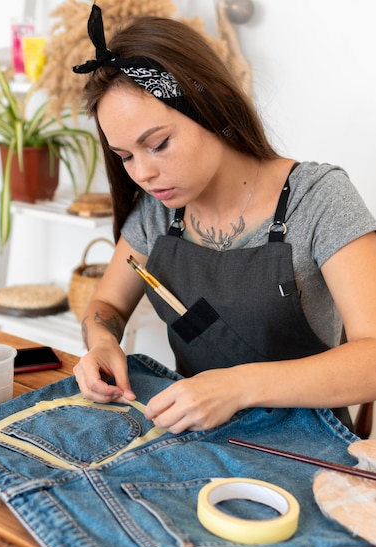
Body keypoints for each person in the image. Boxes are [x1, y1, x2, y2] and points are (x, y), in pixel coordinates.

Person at [72, 4, 376, 434]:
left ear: (211, 107)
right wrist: (101, 343)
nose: (142, 173)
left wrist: (237, 386)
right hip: (194, 437)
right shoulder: (158, 213)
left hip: (307, 447)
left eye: (157, 144)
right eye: (124, 156)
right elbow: (105, 306)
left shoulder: (318, 197)